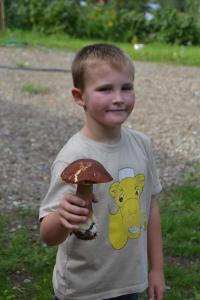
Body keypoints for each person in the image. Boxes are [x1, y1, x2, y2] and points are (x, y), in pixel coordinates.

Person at [39, 43, 165, 300]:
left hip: (130, 283)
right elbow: (48, 237)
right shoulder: (74, 158)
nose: (119, 98)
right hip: (83, 289)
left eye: (126, 87)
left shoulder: (141, 144)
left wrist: (157, 270)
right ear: (79, 97)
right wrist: (62, 216)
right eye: (105, 89)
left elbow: (149, 206)